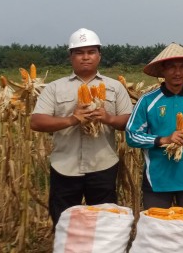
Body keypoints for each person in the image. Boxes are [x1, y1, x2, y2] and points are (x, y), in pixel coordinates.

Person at [30, 28, 133, 226]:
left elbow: (129, 121)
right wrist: (72, 119)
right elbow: (36, 121)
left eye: (91, 52)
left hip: (103, 164)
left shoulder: (115, 87)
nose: (85, 57)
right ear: (71, 57)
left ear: (99, 56)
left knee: (104, 223)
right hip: (64, 165)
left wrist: (108, 118)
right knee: (63, 222)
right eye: (79, 52)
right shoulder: (54, 87)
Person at [125, 43, 183, 211]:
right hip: (158, 180)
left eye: (182, 67)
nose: (177, 73)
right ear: (162, 71)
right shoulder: (147, 101)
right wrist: (164, 139)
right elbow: (131, 135)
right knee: (158, 231)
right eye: (171, 68)